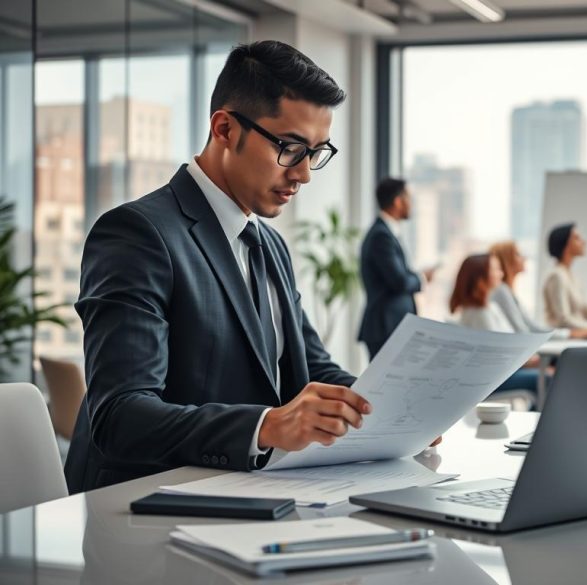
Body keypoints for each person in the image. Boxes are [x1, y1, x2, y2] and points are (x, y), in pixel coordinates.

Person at [65, 41, 378, 493]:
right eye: (291, 148)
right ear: (225, 129)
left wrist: (387, 409)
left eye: (315, 152)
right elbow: (120, 416)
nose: (304, 173)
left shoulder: (270, 245)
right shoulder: (137, 234)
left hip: (246, 494)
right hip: (144, 507)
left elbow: (311, 368)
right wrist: (266, 426)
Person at [358, 178, 436, 359]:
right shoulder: (381, 236)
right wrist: (422, 278)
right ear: (398, 201)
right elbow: (399, 281)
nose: (411, 204)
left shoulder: (386, 232)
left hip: (392, 326)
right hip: (385, 326)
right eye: (409, 198)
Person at [450, 253, 540, 396]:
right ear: (480, 278)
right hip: (491, 381)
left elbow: (509, 344)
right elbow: (497, 358)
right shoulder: (478, 314)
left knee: (550, 376)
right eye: (496, 269)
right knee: (546, 379)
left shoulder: (492, 308)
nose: (501, 274)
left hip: (504, 373)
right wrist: (528, 362)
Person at [489, 241, 587, 340]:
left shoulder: (508, 292)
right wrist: (576, 333)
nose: (524, 258)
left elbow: (531, 327)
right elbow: (523, 331)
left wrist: (576, 333)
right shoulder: (501, 291)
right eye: (518, 254)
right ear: (506, 260)